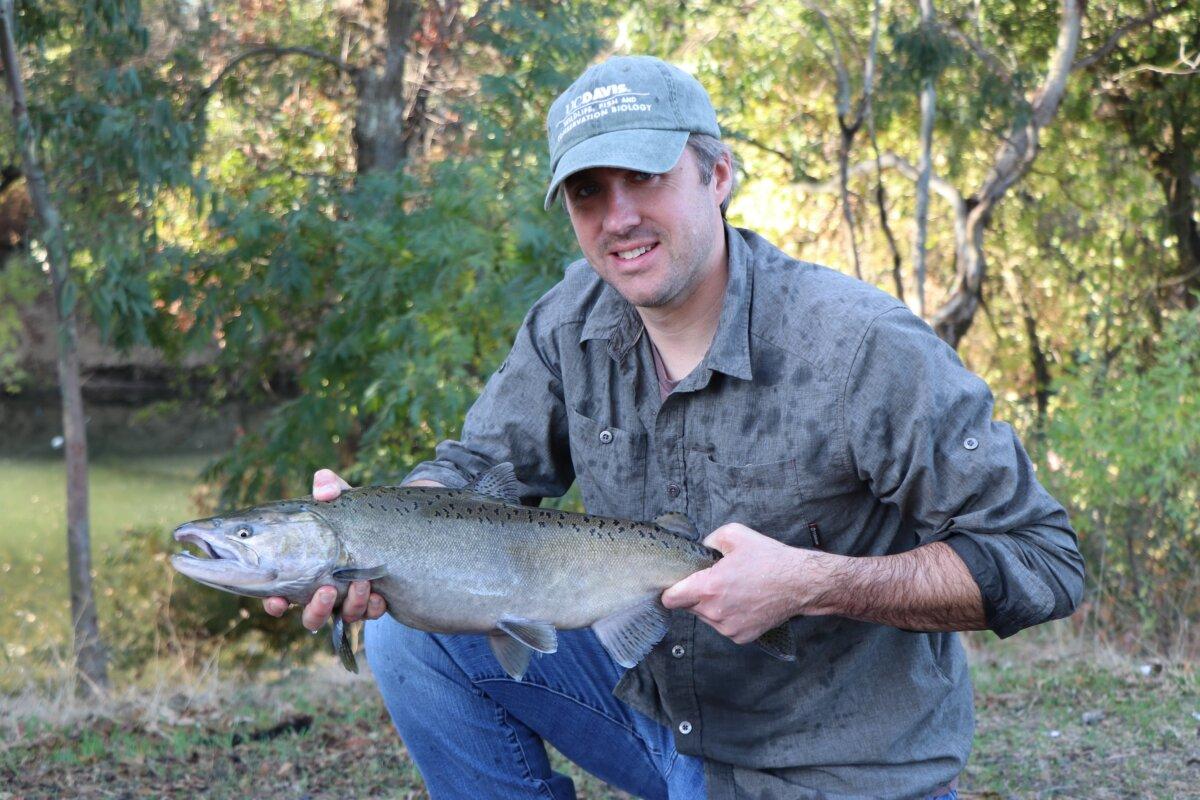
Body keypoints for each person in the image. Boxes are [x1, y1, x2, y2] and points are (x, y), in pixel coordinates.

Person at [264, 55, 1084, 799]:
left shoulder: (862, 347)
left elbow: (1043, 559)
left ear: (716, 172)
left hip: (827, 769)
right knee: (412, 642)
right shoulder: (568, 322)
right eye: (589, 191)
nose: (618, 216)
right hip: (652, 717)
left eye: (645, 176)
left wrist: (815, 581)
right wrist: (381, 527)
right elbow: (480, 470)